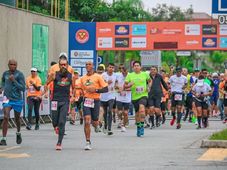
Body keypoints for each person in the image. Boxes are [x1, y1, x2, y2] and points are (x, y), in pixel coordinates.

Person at [43, 57, 74, 151]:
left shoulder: (70, 76)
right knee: (54, 121)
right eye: (61, 65)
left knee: (62, 121)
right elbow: (46, 84)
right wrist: (46, 92)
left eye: (65, 65)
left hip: (65, 100)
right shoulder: (54, 74)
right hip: (55, 100)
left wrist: (72, 96)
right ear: (59, 65)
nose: (63, 66)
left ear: (67, 65)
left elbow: (74, 87)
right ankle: (56, 127)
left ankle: (59, 142)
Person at [79, 61, 108, 150]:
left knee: (94, 122)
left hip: (96, 101)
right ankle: (88, 141)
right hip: (87, 101)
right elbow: (82, 90)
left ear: (93, 66)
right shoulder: (82, 78)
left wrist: (95, 90)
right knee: (87, 121)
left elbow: (106, 89)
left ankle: (97, 125)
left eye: (89, 64)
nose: (87, 66)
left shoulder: (98, 77)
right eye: (86, 64)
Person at [0, 59, 25, 145]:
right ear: (8, 65)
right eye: (11, 64)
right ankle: (3, 138)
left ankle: (18, 133)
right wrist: (1, 88)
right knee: (6, 117)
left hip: (17, 100)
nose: (13, 66)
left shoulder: (20, 74)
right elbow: (3, 82)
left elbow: (23, 88)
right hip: (7, 99)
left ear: (16, 65)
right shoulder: (5, 74)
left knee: (17, 119)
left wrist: (14, 80)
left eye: (14, 64)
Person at [124, 61, 151, 137]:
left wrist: (149, 87)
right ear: (133, 68)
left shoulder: (145, 74)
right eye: (135, 66)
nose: (136, 67)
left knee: (142, 110)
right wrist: (129, 84)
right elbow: (124, 86)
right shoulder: (130, 75)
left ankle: (142, 126)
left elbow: (150, 81)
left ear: (140, 67)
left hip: (143, 95)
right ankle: (138, 126)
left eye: (138, 65)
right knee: (137, 114)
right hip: (135, 97)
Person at [100, 63, 118, 135]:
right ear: (107, 68)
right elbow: (100, 84)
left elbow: (116, 83)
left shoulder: (115, 75)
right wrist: (107, 82)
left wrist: (116, 86)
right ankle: (105, 125)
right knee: (104, 112)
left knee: (110, 110)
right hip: (104, 96)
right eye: (110, 67)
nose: (111, 69)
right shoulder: (103, 75)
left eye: (112, 68)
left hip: (112, 95)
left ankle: (109, 128)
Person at [115, 67, 131, 132]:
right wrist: (118, 88)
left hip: (127, 97)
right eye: (122, 71)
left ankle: (125, 122)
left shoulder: (130, 76)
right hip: (119, 97)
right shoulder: (118, 76)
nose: (124, 73)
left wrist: (124, 89)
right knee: (120, 112)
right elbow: (115, 84)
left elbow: (132, 87)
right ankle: (121, 123)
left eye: (125, 71)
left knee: (126, 113)